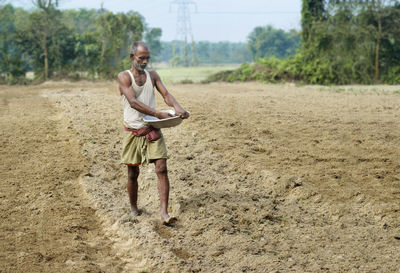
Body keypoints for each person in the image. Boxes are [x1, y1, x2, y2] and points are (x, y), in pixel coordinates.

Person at [118, 41, 189, 224]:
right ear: (132, 57)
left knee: (162, 168)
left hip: (152, 127)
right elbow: (133, 102)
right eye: (141, 58)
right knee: (133, 173)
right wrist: (157, 113)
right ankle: (134, 208)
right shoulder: (124, 77)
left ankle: (164, 213)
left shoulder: (153, 75)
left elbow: (165, 94)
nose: (145, 62)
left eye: (147, 58)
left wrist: (177, 107)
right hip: (133, 130)